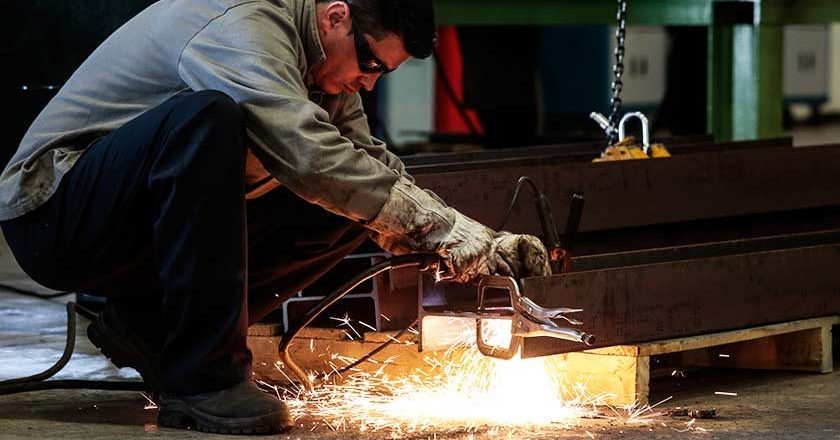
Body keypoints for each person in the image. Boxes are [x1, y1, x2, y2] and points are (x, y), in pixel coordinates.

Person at [0, 0, 550, 434]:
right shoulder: (241, 26)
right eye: (371, 65)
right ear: (336, 17)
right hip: (54, 215)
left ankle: (151, 325)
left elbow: (367, 167)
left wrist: (470, 237)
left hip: (131, 226)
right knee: (206, 120)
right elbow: (309, 156)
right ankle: (204, 382)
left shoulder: (321, 64)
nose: (369, 83)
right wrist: (444, 229)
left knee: (355, 202)